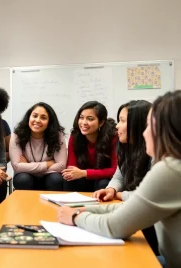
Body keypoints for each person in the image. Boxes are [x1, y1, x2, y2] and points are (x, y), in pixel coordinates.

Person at [58, 91, 181, 268]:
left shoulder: (170, 169)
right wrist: (91, 208)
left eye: (149, 126)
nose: (146, 133)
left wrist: (77, 216)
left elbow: (115, 226)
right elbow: (132, 202)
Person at [93, 100, 159, 256]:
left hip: (153, 223)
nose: (116, 126)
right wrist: (111, 189)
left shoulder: (156, 154)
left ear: (138, 124)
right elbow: (119, 175)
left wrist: (119, 195)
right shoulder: (125, 146)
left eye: (122, 121)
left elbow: (146, 197)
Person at [10, 102, 67, 191]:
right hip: (26, 176)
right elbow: (17, 167)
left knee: (56, 180)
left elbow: (61, 166)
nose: (37, 120)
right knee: (23, 179)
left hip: (49, 176)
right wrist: (47, 164)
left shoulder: (58, 135)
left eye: (43, 118)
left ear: (49, 122)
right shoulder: (17, 135)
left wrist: (28, 166)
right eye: (34, 116)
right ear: (29, 117)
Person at [63, 101, 117, 192]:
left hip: (104, 178)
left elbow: (115, 171)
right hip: (83, 178)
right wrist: (73, 173)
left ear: (101, 122)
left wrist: (85, 173)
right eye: (81, 118)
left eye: (90, 119)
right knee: (69, 179)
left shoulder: (113, 137)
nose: (84, 123)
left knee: (103, 183)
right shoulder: (75, 135)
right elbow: (71, 166)